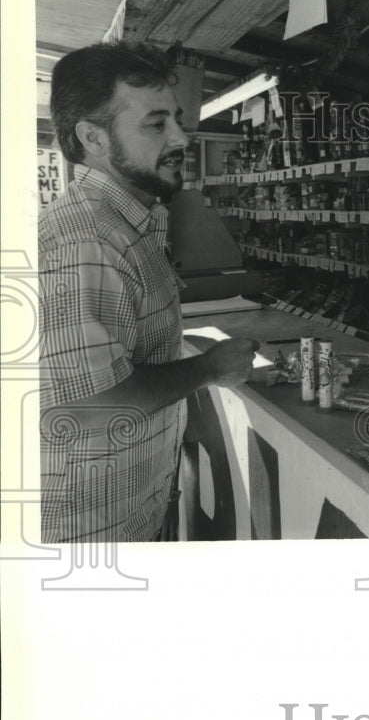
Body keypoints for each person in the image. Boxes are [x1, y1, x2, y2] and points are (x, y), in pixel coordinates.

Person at [39, 42, 259, 543]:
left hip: (124, 516)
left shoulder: (127, 223)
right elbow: (90, 406)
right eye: (156, 124)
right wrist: (210, 368)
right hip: (87, 540)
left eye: (177, 119)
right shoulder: (87, 240)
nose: (182, 136)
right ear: (93, 138)